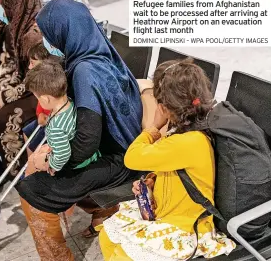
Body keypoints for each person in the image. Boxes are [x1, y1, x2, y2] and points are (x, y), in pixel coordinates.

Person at [15, 0, 142, 260]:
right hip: (124, 148)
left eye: (48, 34)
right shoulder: (97, 50)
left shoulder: (84, 71)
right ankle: (102, 210)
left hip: (118, 159)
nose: (46, 41)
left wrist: (52, 162)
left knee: (33, 191)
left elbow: (86, 142)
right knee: (43, 166)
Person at [99, 58, 236, 260]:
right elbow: (178, 169)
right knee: (107, 237)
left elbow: (132, 158)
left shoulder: (188, 141)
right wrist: (153, 180)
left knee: (121, 256)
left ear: (165, 107)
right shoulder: (187, 131)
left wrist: (153, 128)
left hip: (185, 225)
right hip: (166, 209)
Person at [0, 0, 43, 176]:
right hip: (33, 86)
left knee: (4, 118)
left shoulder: (33, 34)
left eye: (2, 5)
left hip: (42, 90)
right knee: (1, 106)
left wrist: (5, 97)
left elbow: (36, 77)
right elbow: (21, 70)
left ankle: (21, 173)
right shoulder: (19, 28)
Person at [25, 61, 100, 174]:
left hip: (76, 167)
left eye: (37, 98)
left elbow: (63, 154)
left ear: (46, 99)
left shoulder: (56, 128)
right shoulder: (69, 101)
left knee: (32, 167)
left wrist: (52, 166)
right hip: (88, 157)